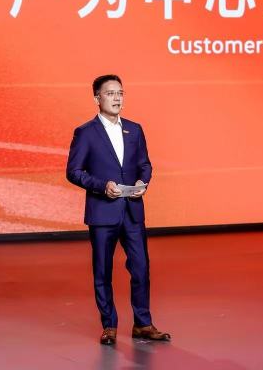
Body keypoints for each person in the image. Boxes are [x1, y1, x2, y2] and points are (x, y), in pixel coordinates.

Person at [66, 74, 171, 345]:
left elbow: (145, 164)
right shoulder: (85, 132)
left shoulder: (135, 129)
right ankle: (109, 325)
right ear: (97, 98)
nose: (117, 98)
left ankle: (143, 323)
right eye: (110, 93)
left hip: (133, 210)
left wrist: (142, 182)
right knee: (102, 270)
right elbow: (74, 171)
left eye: (120, 93)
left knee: (141, 267)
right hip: (103, 212)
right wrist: (103, 186)